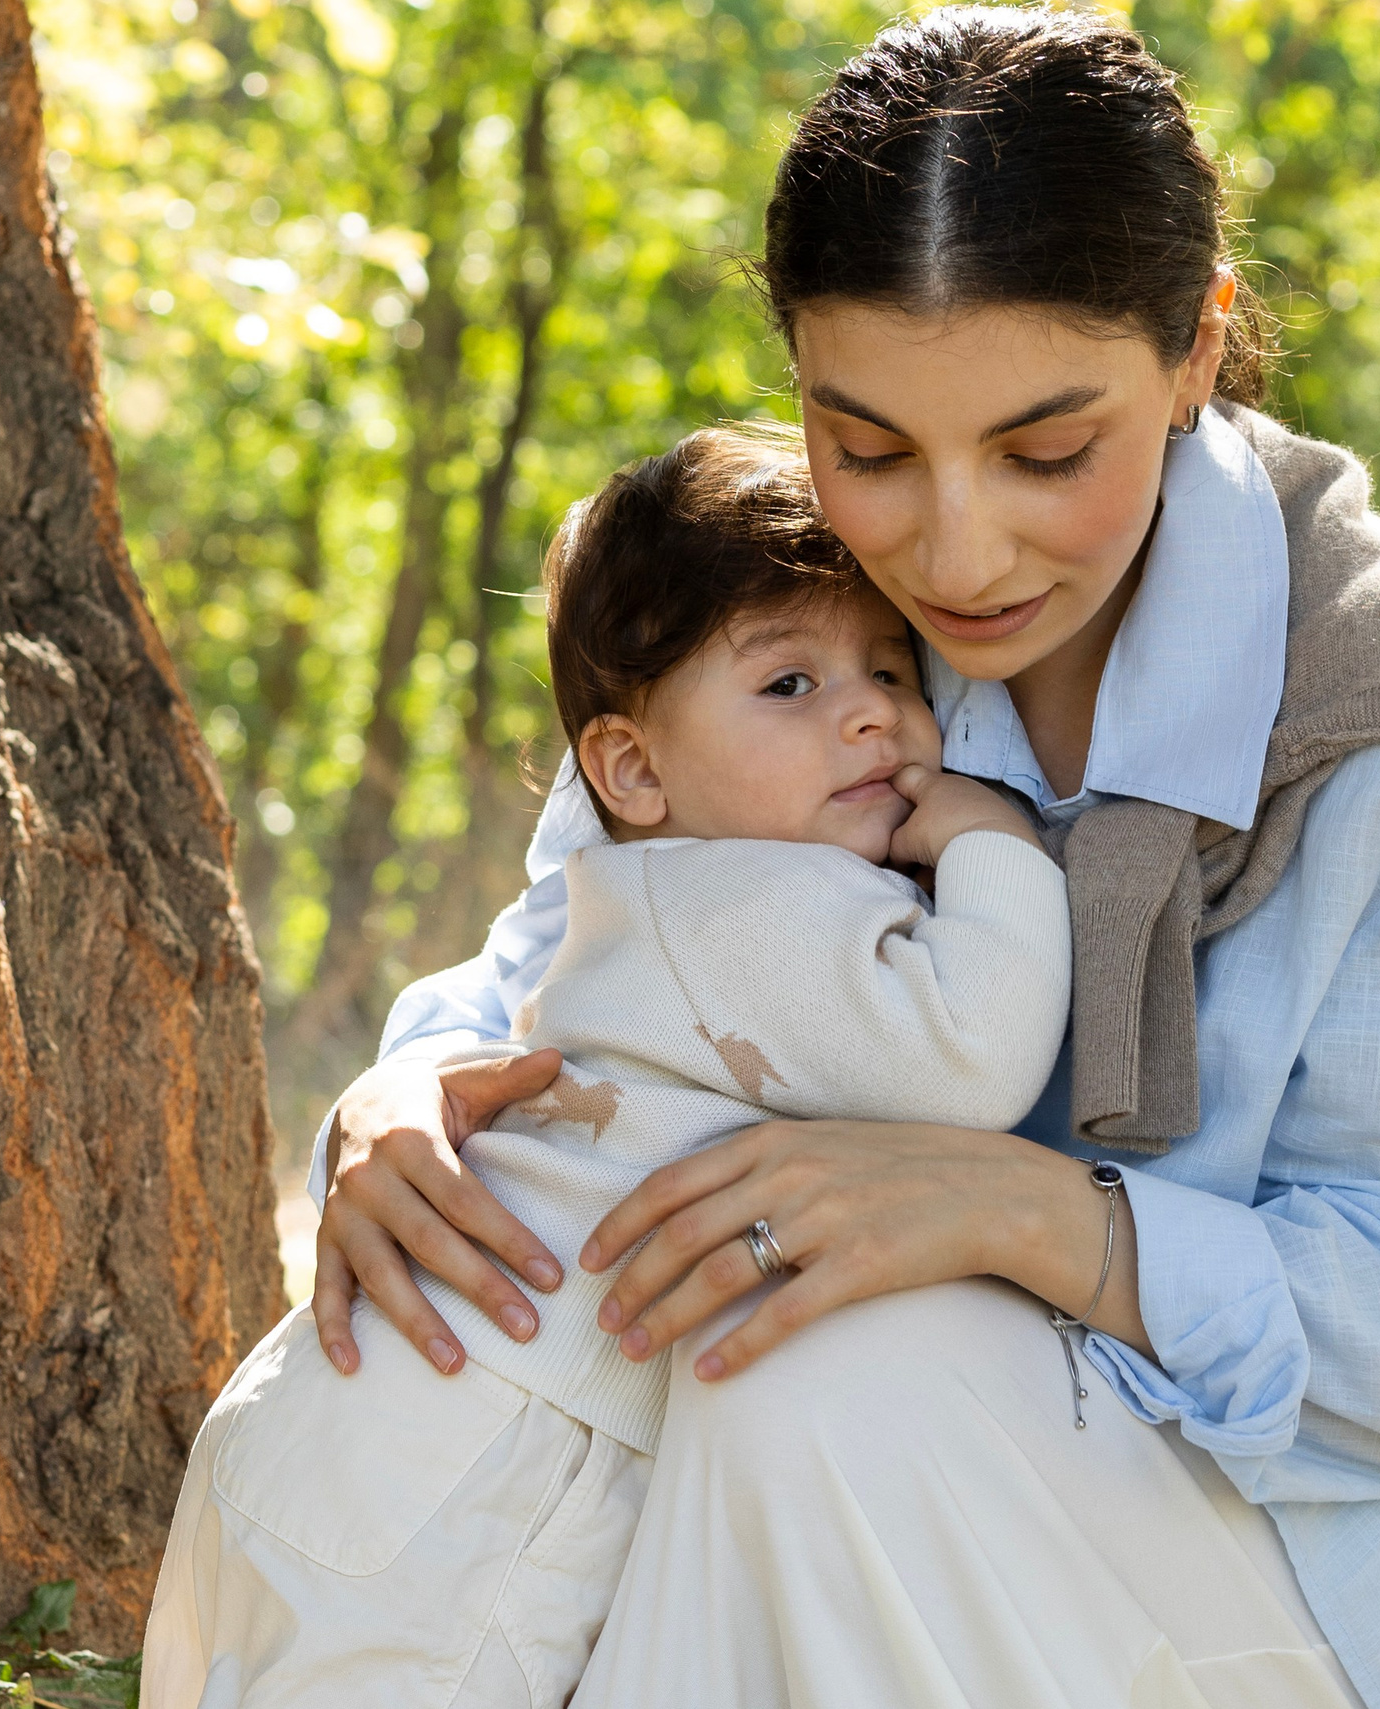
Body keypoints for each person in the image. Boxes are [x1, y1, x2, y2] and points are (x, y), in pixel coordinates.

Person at [283, 9, 1380, 1709]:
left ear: (1196, 347)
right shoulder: (813, 623)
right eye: (867, 450)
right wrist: (409, 1094)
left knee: (808, 1366)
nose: (952, 552)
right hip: (910, 1431)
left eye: (1046, 452)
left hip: (1365, 1540)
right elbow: (582, 947)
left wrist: (1031, 1213)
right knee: (651, 1340)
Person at [141, 426, 1075, 1707]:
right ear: (632, 768)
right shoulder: (763, 898)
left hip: (367, 1412)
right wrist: (994, 842)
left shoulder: (645, 897)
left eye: (888, 668)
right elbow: (971, 1056)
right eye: (787, 683)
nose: (870, 711)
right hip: (485, 1462)